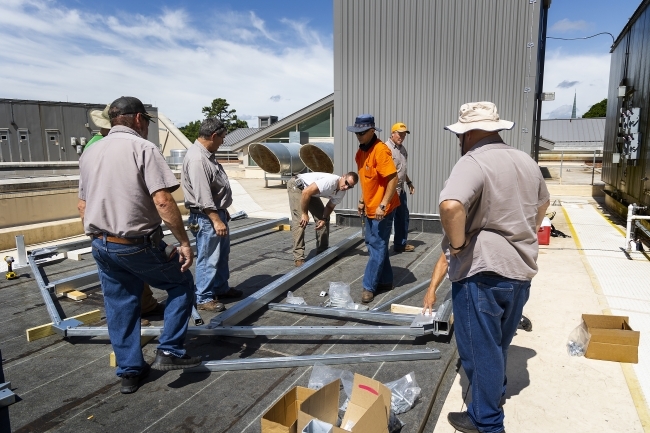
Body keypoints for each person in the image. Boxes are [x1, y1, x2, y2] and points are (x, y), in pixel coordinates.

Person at [426, 101, 549, 433]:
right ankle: (493, 395)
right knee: (497, 345)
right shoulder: (526, 161)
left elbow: (451, 207)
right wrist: (520, 232)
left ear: (466, 134)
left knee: (479, 352)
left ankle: (487, 422)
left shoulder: (473, 161)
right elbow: (543, 205)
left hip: (482, 273)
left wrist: (458, 245)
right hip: (520, 271)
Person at [78, 96, 201, 395]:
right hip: (136, 243)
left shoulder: (91, 152)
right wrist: (184, 242)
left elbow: (82, 205)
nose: (146, 127)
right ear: (136, 119)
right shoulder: (143, 148)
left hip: (102, 244)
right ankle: (170, 349)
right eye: (146, 121)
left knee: (121, 305)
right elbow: (162, 200)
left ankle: (130, 371)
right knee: (181, 284)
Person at [86, 104, 166, 325]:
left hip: (104, 233)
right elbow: (162, 200)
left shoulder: (93, 148)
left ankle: (145, 306)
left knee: (123, 279)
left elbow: (83, 201)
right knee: (171, 281)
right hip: (126, 231)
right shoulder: (137, 146)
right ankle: (137, 316)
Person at [182, 118, 242, 312]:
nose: (223, 142)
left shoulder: (206, 155)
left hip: (215, 215)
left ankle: (220, 288)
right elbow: (203, 196)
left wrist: (223, 213)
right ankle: (203, 297)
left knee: (221, 255)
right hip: (207, 218)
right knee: (208, 258)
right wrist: (216, 219)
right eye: (222, 138)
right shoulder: (198, 159)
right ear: (214, 135)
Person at [347, 114, 400, 303]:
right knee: (374, 243)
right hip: (370, 206)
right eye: (356, 132)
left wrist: (383, 205)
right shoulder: (360, 152)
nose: (358, 136)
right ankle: (385, 281)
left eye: (362, 133)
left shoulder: (380, 151)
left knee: (376, 245)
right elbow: (367, 179)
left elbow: (393, 179)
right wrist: (362, 199)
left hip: (382, 208)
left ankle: (368, 286)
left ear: (372, 131)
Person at [287, 171, 358, 266]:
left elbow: (329, 207)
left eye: (350, 187)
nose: (346, 187)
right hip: (297, 186)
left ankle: (322, 251)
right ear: (343, 176)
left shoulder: (341, 192)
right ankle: (298, 259)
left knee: (323, 218)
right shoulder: (330, 182)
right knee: (301, 221)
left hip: (309, 192)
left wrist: (324, 219)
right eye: (346, 183)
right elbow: (305, 192)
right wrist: (304, 213)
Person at [386, 122, 416, 253]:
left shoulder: (403, 149)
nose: (402, 136)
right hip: (390, 191)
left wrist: (409, 183)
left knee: (403, 217)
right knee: (387, 220)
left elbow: (401, 170)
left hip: (401, 189)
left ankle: (400, 244)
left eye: (404, 134)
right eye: (399, 134)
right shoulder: (386, 149)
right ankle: (382, 247)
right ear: (392, 133)